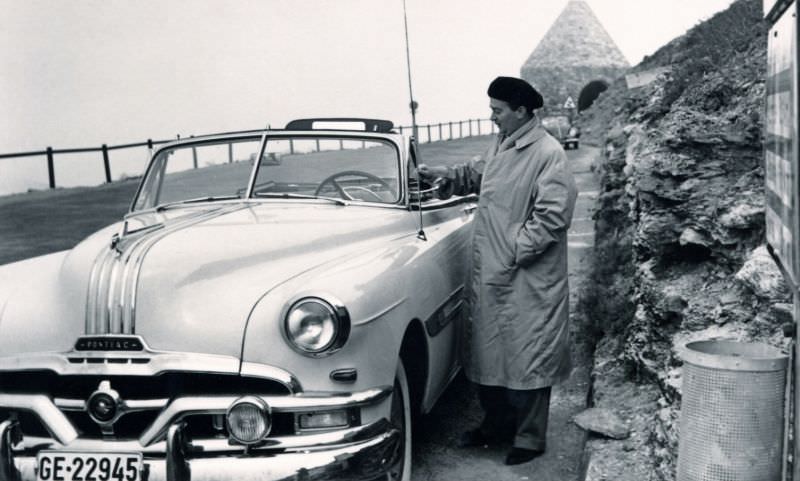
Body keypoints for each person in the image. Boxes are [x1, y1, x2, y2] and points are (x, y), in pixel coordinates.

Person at [419, 76, 578, 465]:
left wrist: (512, 251)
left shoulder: (547, 152)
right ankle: (496, 426)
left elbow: (553, 217)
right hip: (494, 271)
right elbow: (477, 175)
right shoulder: (503, 143)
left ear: (521, 111)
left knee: (529, 354)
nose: (492, 118)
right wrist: (437, 175)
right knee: (491, 353)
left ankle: (529, 438)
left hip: (527, 275)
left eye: (498, 111)